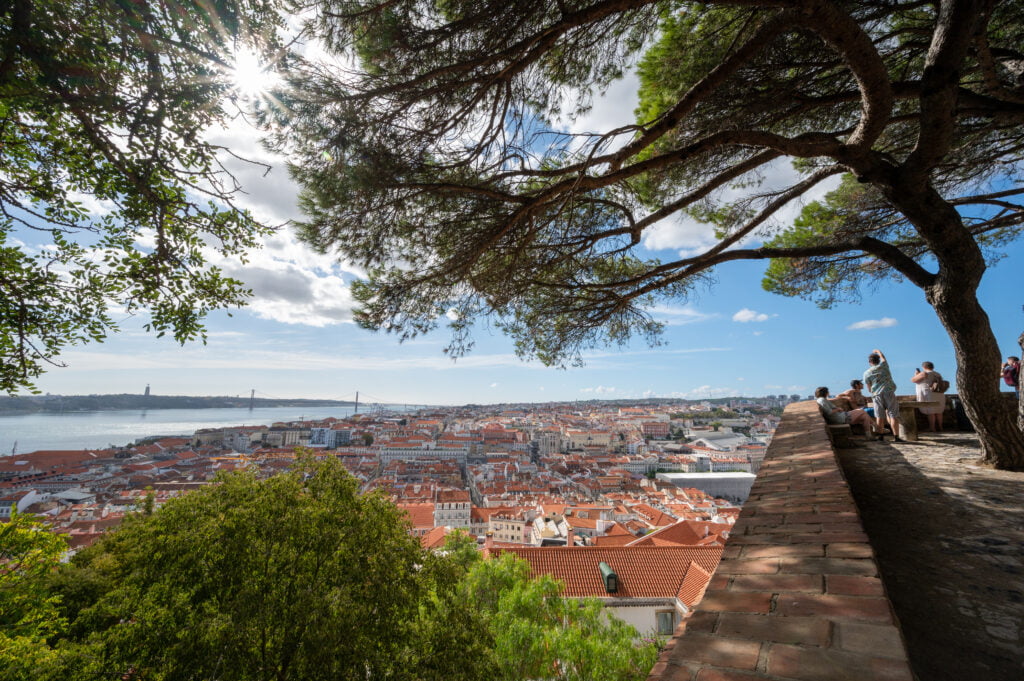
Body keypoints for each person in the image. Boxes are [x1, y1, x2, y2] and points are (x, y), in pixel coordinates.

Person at [863, 348, 903, 441]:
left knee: (879, 416)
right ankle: (896, 437)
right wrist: (878, 352)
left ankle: (880, 436)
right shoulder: (884, 366)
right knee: (893, 415)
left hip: (876, 395)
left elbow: (869, 388)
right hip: (889, 392)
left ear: (870, 362)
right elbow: (883, 358)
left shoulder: (866, 373)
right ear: (878, 360)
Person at [911, 361, 945, 432]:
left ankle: (932, 428)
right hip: (939, 393)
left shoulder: (924, 373)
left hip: (929, 393)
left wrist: (916, 374)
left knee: (931, 411)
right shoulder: (938, 374)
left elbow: (913, 380)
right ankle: (940, 427)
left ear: (924, 367)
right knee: (939, 411)